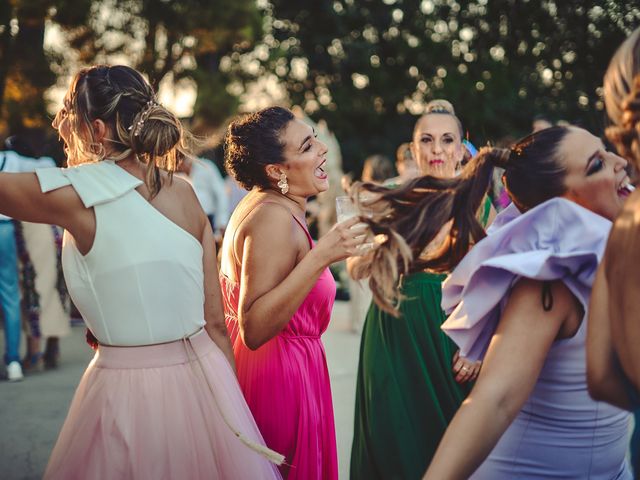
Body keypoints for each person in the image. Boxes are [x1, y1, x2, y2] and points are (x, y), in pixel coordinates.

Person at [0, 65, 282, 479]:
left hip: (127, 388)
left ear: (96, 128)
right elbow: (216, 323)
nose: (60, 125)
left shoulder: (80, 193)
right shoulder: (185, 193)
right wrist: (232, 412)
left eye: (67, 113)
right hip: (204, 377)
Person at [354, 125, 633, 478]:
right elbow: (494, 401)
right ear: (560, 205)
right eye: (596, 165)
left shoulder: (618, 250)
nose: (621, 162)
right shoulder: (549, 283)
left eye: (606, 151)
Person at [220, 106, 366, 479]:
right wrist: (322, 256)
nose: (322, 150)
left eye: (314, 138)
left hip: (286, 368)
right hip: (280, 379)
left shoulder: (270, 204)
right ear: (277, 171)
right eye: (306, 146)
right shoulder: (272, 218)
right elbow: (253, 326)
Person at [348, 99, 490, 479]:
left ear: (462, 148)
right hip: (394, 332)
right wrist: (378, 253)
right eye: (426, 140)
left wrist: (479, 346)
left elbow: (499, 284)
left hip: (451, 337)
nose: (437, 149)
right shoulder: (394, 198)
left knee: (451, 449)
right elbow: (356, 266)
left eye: (447, 140)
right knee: (392, 443)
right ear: (413, 149)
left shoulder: (480, 203)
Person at [0, 143, 53, 381]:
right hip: (4, 230)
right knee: (10, 295)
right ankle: (13, 362)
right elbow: (48, 165)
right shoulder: (10, 159)